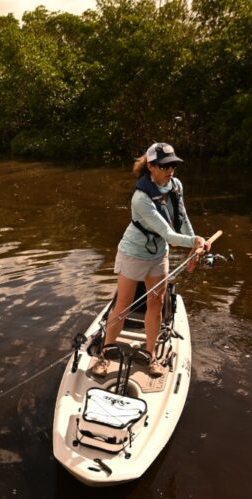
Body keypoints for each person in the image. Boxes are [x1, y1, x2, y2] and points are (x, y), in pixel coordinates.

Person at [91, 142, 209, 377]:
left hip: (158, 255)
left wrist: (193, 245)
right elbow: (167, 234)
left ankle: (151, 355)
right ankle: (105, 354)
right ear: (151, 166)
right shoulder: (141, 198)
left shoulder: (176, 186)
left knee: (156, 304)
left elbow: (182, 218)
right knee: (123, 304)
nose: (170, 170)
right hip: (133, 253)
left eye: (173, 165)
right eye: (164, 166)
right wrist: (195, 241)